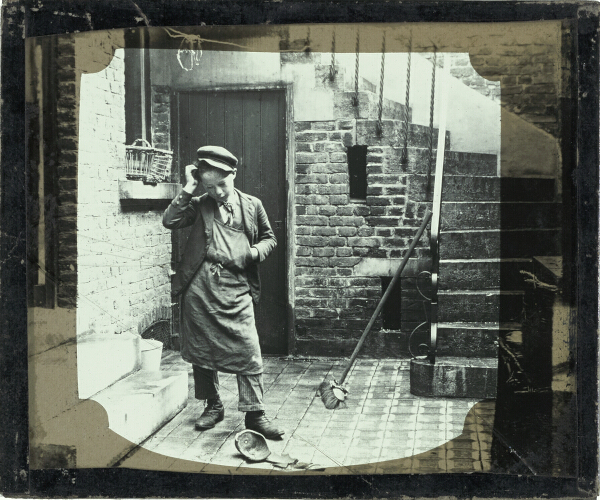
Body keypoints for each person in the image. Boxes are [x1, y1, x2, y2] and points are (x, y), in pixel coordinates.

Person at [162, 145, 284, 440]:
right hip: (201, 288)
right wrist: (190, 189)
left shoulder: (252, 205)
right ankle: (213, 405)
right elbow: (170, 221)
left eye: (222, 184)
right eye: (209, 186)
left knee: (248, 349)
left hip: (237, 288)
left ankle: (255, 414)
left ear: (234, 174)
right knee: (202, 349)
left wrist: (254, 253)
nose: (217, 192)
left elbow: (270, 238)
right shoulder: (200, 202)